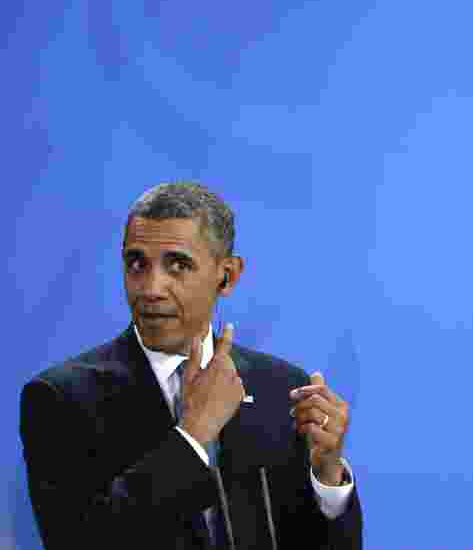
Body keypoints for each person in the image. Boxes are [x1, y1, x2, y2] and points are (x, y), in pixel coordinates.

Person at [19, 182, 363, 549]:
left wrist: (328, 475)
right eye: (137, 264)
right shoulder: (59, 399)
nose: (151, 288)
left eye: (178, 265)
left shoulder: (283, 389)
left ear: (227, 275)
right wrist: (194, 435)